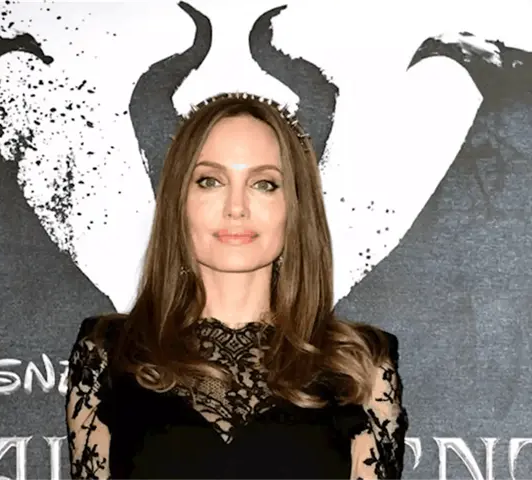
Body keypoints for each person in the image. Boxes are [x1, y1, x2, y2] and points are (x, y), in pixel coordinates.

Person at [65, 92, 409, 480]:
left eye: (264, 184)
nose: (236, 207)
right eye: (210, 181)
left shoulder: (360, 365)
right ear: (179, 201)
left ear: (295, 207)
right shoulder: (108, 354)